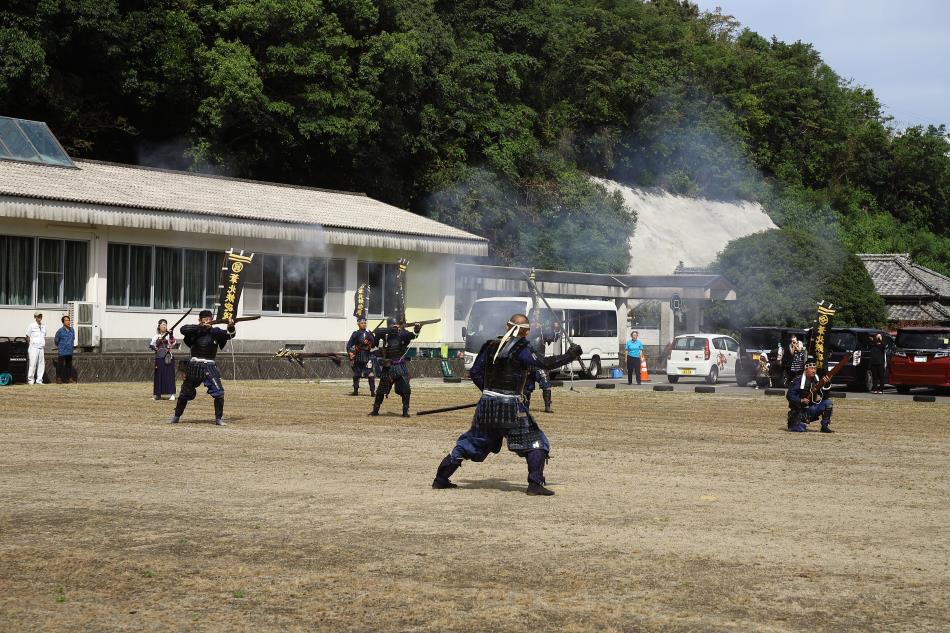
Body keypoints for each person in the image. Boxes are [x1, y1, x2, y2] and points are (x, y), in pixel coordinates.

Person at [431, 313, 583, 496]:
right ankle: (534, 484)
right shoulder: (522, 349)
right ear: (526, 332)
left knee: (470, 443)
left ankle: (441, 479)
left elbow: (475, 373)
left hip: (486, 405)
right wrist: (570, 355)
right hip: (511, 406)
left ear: (506, 327)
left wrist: (489, 393)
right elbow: (544, 363)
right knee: (537, 442)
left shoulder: (489, 346)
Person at [170, 310, 235, 426]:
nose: (208, 322)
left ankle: (218, 419)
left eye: (210, 319)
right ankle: (176, 416)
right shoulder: (195, 332)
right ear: (200, 320)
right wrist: (200, 327)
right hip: (194, 365)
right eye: (205, 320)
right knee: (185, 393)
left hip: (209, 365)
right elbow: (183, 329)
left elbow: (230, 335)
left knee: (219, 393)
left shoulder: (215, 332)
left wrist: (230, 326)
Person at [370, 317, 418, 417]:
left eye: (395, 326)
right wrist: (380, 333)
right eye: (393, 326)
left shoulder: (402, 334)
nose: (394, 328)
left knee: (406, 390)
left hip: (400, 366)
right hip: (388, 366)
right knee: (381, 391)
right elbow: (376, 337)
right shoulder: (385, 334)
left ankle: (405, 411)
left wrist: (417, 329)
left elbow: (413, 335)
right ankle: (375, 410)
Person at [786, 359, 834, 433]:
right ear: (806, 369)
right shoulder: (797, 381)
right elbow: (789, 395)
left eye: (815, 368)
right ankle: (795, 424)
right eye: (811, 368)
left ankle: (824, 426)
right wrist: (801, 400)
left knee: (828, 403)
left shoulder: (816, 380)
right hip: (798, 412)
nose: (814, 371)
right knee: (801, 429)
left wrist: (826, 384)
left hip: (811, 409)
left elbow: (824, 396)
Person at [346, 317, 376, 397]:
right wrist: (350, 353)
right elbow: (349, 345)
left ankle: (372, 392)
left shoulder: (369, 333)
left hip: (367, 355)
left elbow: (373, 344)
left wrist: (369, 343)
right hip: (358, 356)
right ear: (358, 324)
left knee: (370, 374)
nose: (364, 324)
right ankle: (355, 391)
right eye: (362, 323)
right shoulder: (355, 333)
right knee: (356, 374)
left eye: (365, 323)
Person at [149, 319, 177, 400]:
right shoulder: (156, 336)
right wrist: (154, 347)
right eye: (162, 324)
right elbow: (151, 345)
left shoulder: (169, 335)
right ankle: (158, 395)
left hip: (167, 358)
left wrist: (171, 334)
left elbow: (173, 342)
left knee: (169, 376)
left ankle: (172, 394)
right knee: (159, 376)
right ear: (159, 326)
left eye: (165, 324)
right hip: (159, 358)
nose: (164, 326)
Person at [25, 311, 46, 385]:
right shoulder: (31, 325)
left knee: (41, 364)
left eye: (40, 316)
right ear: (35, 317)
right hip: (33, 347)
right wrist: (31, 344)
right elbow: (27, 336)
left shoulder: (44, 326)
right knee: (32, 364)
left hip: (41, 347)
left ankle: (39, 380)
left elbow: (44, 336)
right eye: (38, 316)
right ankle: (31, 380)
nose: (40, 317)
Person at [54, 315, 76, 383]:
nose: (68, 322)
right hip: (62, 351)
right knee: (60, 365)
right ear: (63, 322)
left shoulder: (72, 330)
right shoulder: (60, 331)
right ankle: (58, 378)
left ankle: (69, 378)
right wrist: (61, 346)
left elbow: (73, 338)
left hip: (69, 351)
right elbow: (56, 340)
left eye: (69, 320)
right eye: (66, 320)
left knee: (69, 366)